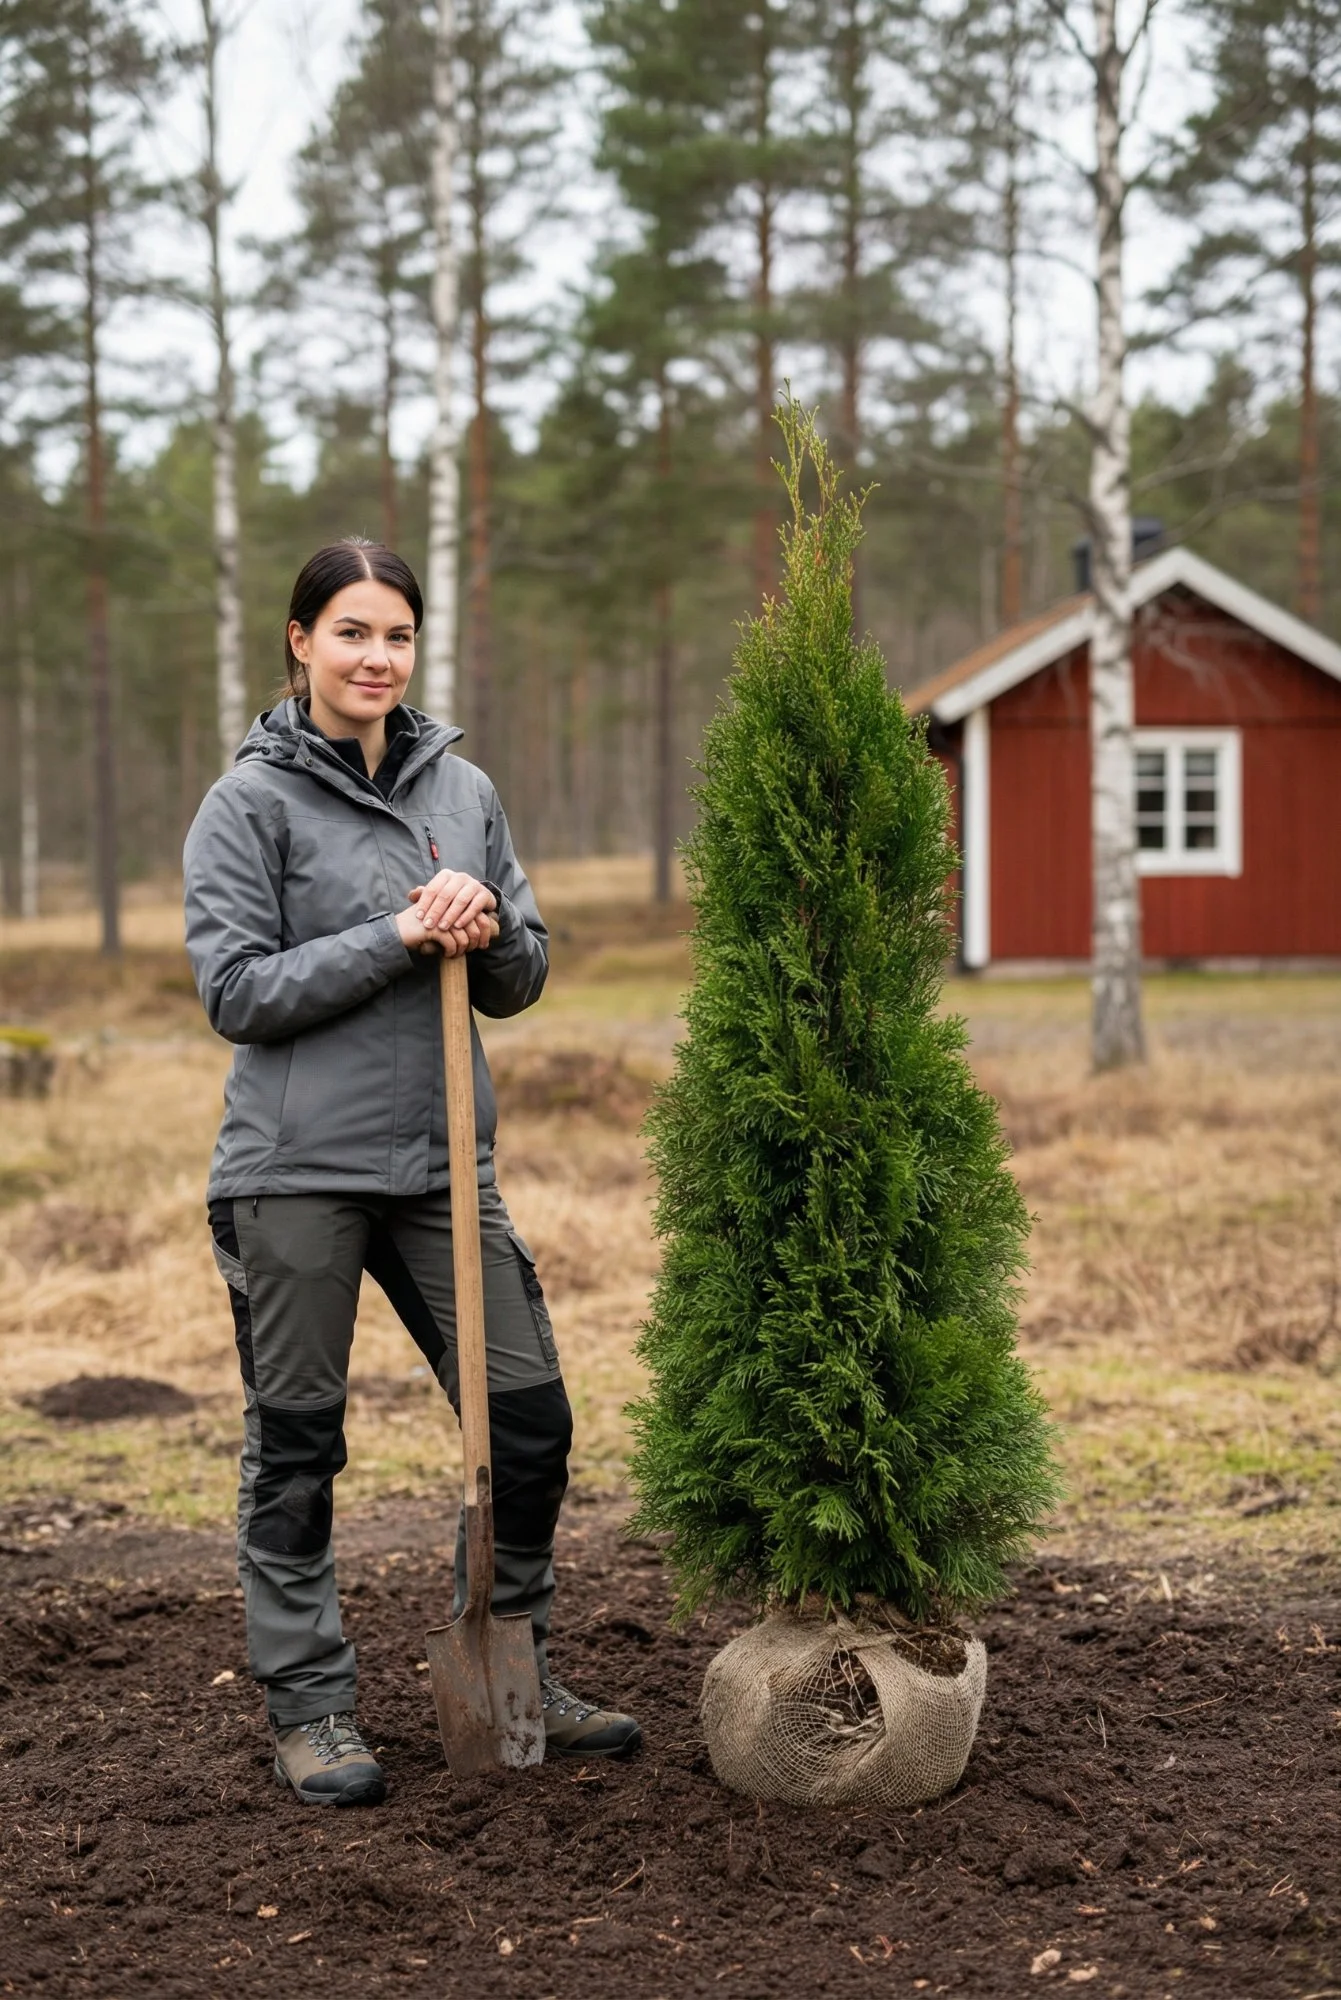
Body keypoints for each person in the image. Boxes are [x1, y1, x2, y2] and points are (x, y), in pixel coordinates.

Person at [184, 537, 641, 1806]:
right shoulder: (249, 804)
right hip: (295, 1172)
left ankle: (513, 1654)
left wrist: (486, 926)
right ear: (299, 640)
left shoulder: (464, 791)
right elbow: (236, 990)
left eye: (396, 635)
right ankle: (311, 1703)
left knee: (531, 1416)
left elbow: (526, 970)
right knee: (297, 1441)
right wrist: (393, 932)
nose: (376, 656)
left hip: (445, 1167)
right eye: (350, 632)